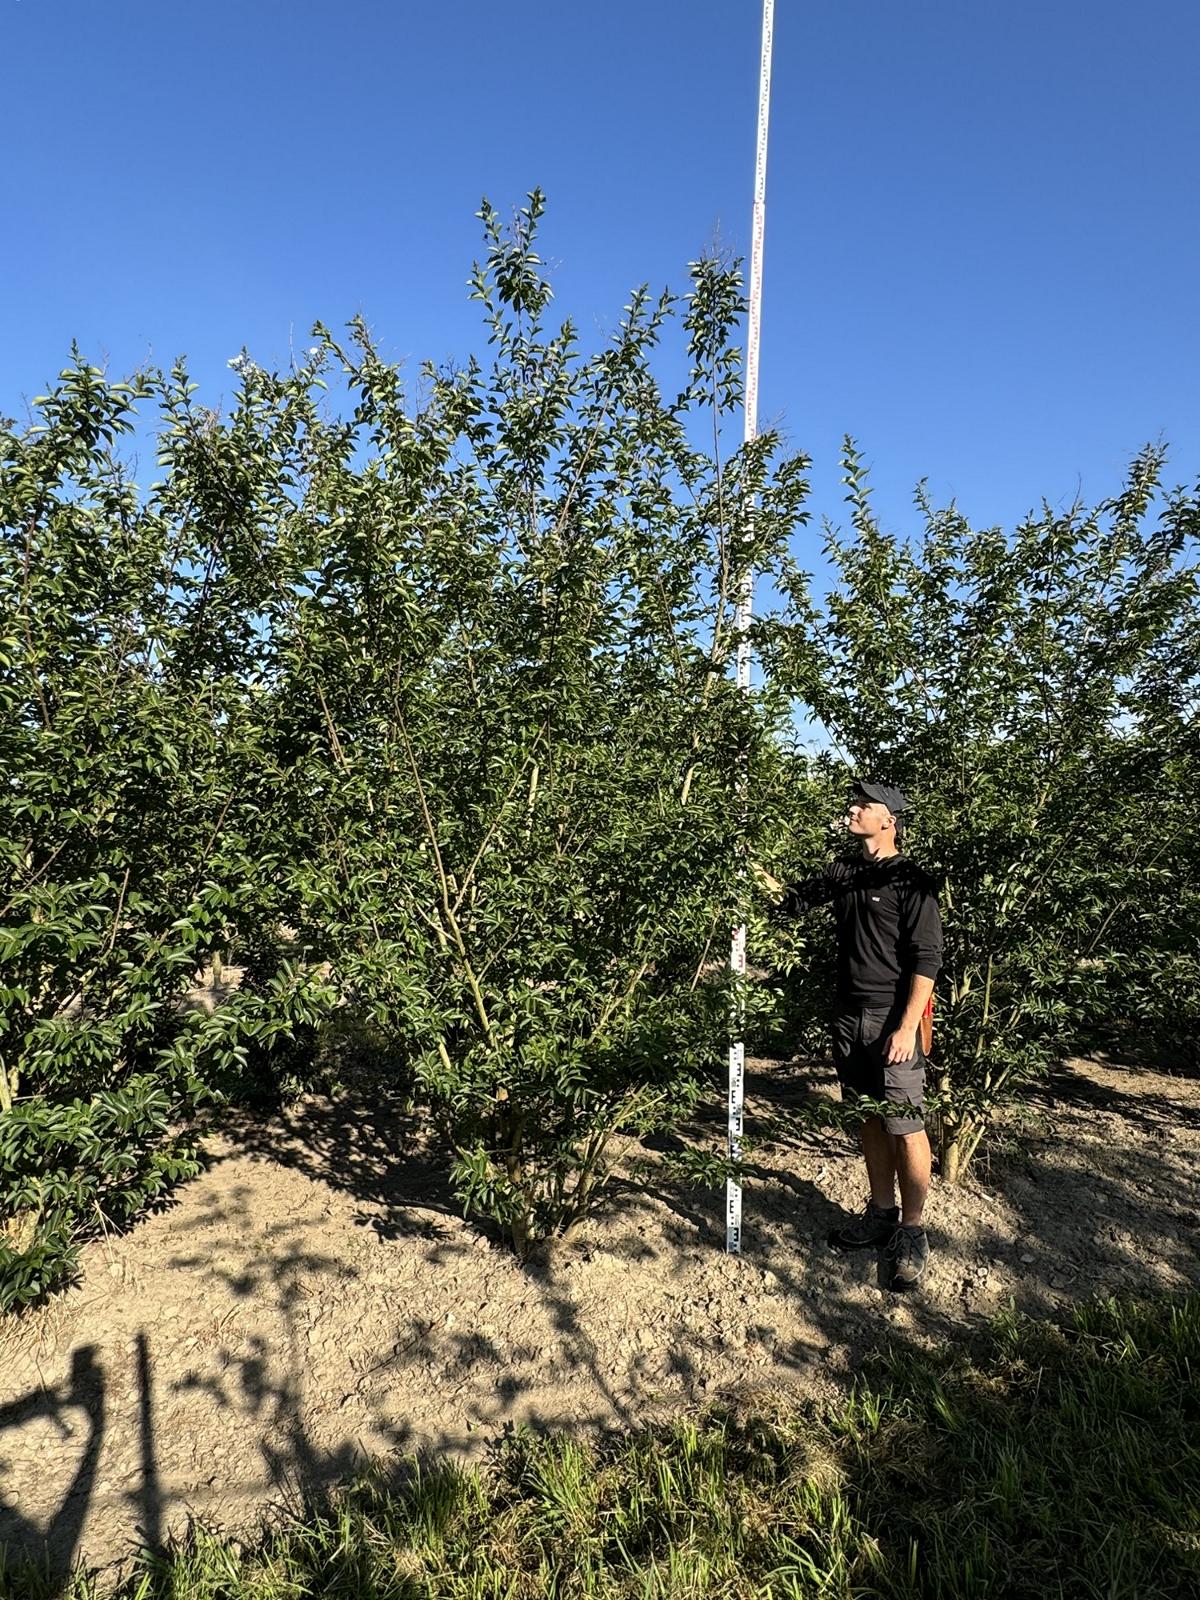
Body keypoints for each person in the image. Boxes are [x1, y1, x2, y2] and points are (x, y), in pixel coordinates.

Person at [755, 780, 943, 1292]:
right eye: (853, 803)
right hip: (847, 1015)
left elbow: (927, 959)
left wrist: (907, 1026)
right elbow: (794, 901)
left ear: (890, 820)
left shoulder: (913, 881)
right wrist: (746, 864)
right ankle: (881, 1212)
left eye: (864, 805)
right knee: (866, 1117)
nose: (853, 809)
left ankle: (911, 1230)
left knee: (904, 1123)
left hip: (892, 1019)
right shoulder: (844, 872)